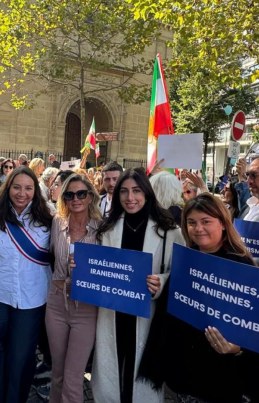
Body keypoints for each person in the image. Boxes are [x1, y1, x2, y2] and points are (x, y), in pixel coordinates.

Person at [138, 193, 259, 403]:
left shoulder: (241, 265)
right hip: (187, 377)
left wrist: (238, 348)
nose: (198, 228)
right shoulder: (186, 259)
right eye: (191, 222)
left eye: (206, 221)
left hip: (224, 381)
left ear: (223, 224)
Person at [90, 168, 185, 403]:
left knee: (141, 375)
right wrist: (81, 265)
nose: (130, 198)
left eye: (136, 191)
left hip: (147, 315)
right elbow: (98, 268)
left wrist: (162, 282)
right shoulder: (107, 229)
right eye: (124, 191)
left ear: (147, 192)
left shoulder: (169, 230)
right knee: (112, 372)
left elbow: (182, 273)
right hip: (113, 311)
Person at [0, 166, 53, 403]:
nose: (21, 193)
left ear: (35, 190)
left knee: (21, 356)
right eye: (16, 187)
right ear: (8, 188)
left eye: (28, 188)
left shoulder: (48, 216)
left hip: (32, 298)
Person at [45, 173, 102, 403]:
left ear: (90, 196)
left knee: (73, 375)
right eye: (69, 194)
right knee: (57, 373)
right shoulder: (57, 223)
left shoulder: (103, 228)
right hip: (57, 301)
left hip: (86, 307)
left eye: (81, 194)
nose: (75, 199)